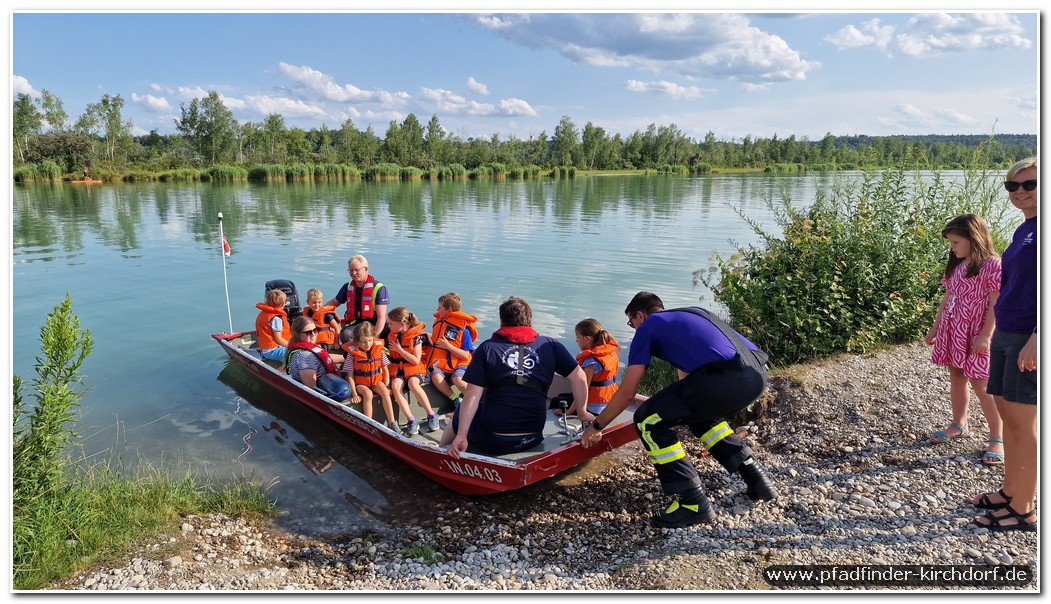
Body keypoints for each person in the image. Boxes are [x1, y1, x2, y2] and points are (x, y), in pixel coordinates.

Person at [581, 292, 776, 529]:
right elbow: (688, 381)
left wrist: (597, 426)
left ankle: (692, 503)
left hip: (728, 378)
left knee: (646, 420)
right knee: (700, 415)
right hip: (757, 374)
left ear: (639, 315)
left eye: (631, 322)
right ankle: (758, 481)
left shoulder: (648, 327)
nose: (633, 328)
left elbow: (627, 392)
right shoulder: (691, 313)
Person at [968, 157, 1038, 532]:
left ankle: (1025, 508)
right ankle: (1012, 491)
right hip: (1008, 333)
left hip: (1030, 337)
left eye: (1030, 184)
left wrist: (1038, 337)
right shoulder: (1025, 229)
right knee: (1009, 417)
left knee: (1024, 423)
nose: (1021, 192)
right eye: (1013, 186)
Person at [441, 296, 590, 458]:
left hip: (493, 440)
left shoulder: (487, 348)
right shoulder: (552, 346)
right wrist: (581, 412)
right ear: (530, 321)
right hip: (533, 436)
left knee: (459, 410)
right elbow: (580, 378)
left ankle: (440, 453)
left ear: (501, 322)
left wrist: (462, 435)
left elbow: (472, 396)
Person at [923, 214, 1003, 464]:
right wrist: (936, 328)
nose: (952, 248)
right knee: (957, 377)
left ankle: (997, 438)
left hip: (977, 332)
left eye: (956, 242)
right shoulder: (958, 264)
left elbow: (995, 304)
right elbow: (947, 298)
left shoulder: (992, 265)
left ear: (974, 239)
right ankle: (959, 423)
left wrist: (986, 336)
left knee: (983, 385)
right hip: (953, 329)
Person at [341, 321, 408, 433]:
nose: (367, 344)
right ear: (357, 342)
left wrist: (386, 385)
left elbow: (385, 369)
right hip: (360, 384)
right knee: (368, 394)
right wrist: (354, 393)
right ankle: (368, 423)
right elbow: (350, 376)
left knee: (385, 392)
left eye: (369, 340)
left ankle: (392, 423)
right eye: (363, 342)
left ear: (373, 338)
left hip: (376, 381)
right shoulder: (352, 354)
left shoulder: (378, 350)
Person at [387, 307, 441, 432]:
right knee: (395, 385)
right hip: (399, 369)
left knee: (412, 383)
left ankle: (431, 414)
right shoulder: (393, 335)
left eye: (391, 324)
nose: (389, 326)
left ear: (402, 324)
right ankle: (411, 419)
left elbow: (416, 360)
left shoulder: (416, 338)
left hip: (414, 369)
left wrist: (399, 350)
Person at [423, 292, 478, 406]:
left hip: (460, 364)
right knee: (436, 377)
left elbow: (465, 355)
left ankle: (476, 400)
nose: (437, 310)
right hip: (441, 365)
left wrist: (448, 346)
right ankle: (455, 399)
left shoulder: (464, 329)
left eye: (440, 307)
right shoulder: (439, 323)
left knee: (458, 380)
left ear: (449, 311)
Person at [326, 255, 390, 345]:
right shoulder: (347, 287)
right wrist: (317, 310)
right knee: (346, 335)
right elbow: (334, 302)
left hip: (374, 323)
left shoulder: (379, 288)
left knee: (390, 329)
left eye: (357, 270)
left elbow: (381, 318)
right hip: (357, 324)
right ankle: (358, 348)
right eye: (351, 270)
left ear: (366, 269)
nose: (353, 273)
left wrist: (374, 338)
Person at [285, 316, 350, 401]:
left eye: (315, 330)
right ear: (298, 335)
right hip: (328, 388)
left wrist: (348, 358)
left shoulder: (308, 347)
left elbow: (326, 357)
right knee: (347, 385)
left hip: (327, 379)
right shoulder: (305, 356)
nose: (313, 334)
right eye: (308, 332)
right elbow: (311, 389)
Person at [574, 318, 622, 416]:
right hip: (611, 403)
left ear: (587, 339)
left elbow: (583, 390)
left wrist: (568, 412)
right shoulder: (610, 353)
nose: (576, 340)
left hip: (593, 408)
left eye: (578, 337)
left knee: (556, 401)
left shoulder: (591, 362)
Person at [255, 289, 291, 362]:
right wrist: (293, 345)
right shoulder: (276, 318)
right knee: (298, 354)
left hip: (265, 348)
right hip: (272, 350)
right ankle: (282, 371)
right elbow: (279, 339)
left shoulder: (264, 313)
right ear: (282, 304)